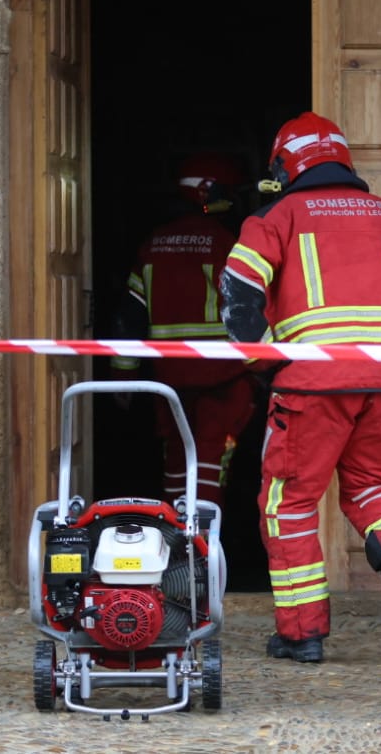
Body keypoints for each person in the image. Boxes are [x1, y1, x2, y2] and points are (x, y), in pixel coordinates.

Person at [220, 112, 381, 664]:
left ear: (285, 164)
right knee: (376, 486)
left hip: (314, 385)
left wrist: (266, 365)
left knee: (290, 505)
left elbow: (237, 292)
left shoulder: (276, 217)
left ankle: (302, 635)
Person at [109, 153, 257, 509]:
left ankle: (176, 545)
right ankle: (202, 551)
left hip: (168, 377)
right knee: (208, 464)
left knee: (176, 461)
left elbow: (130, 317)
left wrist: (122, 377)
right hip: (223, 377)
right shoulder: (228, 244)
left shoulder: (152, 245)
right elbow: (248, 313)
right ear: (211, 193)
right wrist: (265, 369)